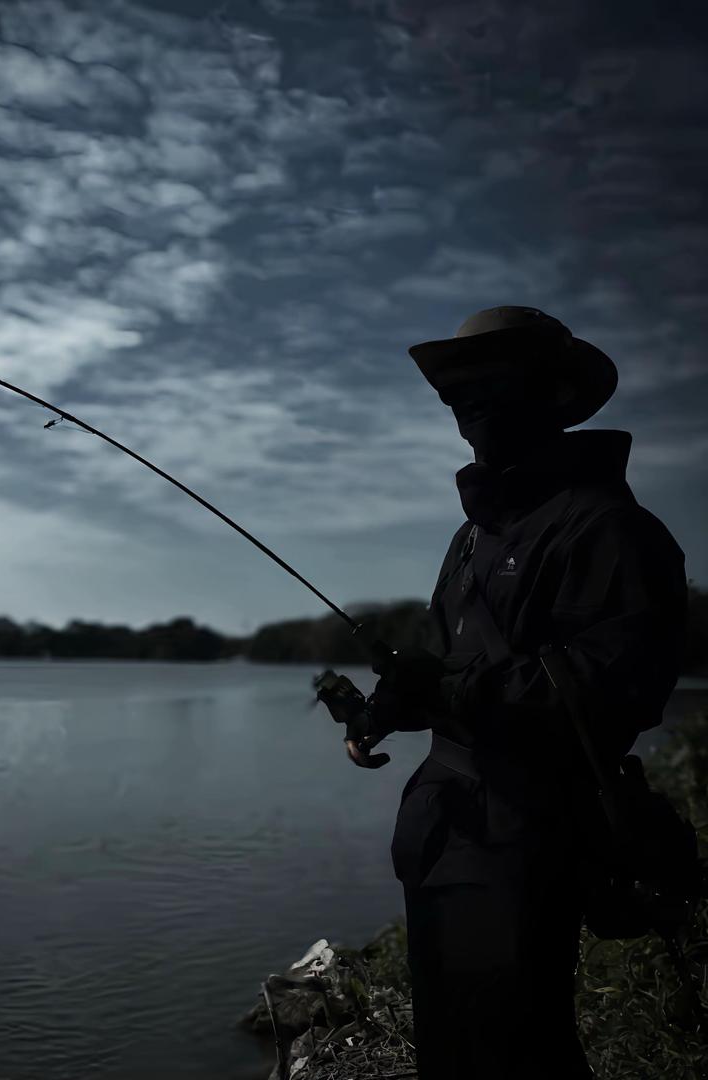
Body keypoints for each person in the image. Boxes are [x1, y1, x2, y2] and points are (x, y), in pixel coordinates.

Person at [336, 306, 688, 1079]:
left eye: (495, 388)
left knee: (519, 1049)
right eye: (459, 397)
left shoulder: (614, 531)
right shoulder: (471, 537)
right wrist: (380, 711)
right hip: (440, 829)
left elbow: (615, 690)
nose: (473, 411)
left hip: (528, 839)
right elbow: (433, 650)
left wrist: (452, 682)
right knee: (450, 1043)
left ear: (555, 395)